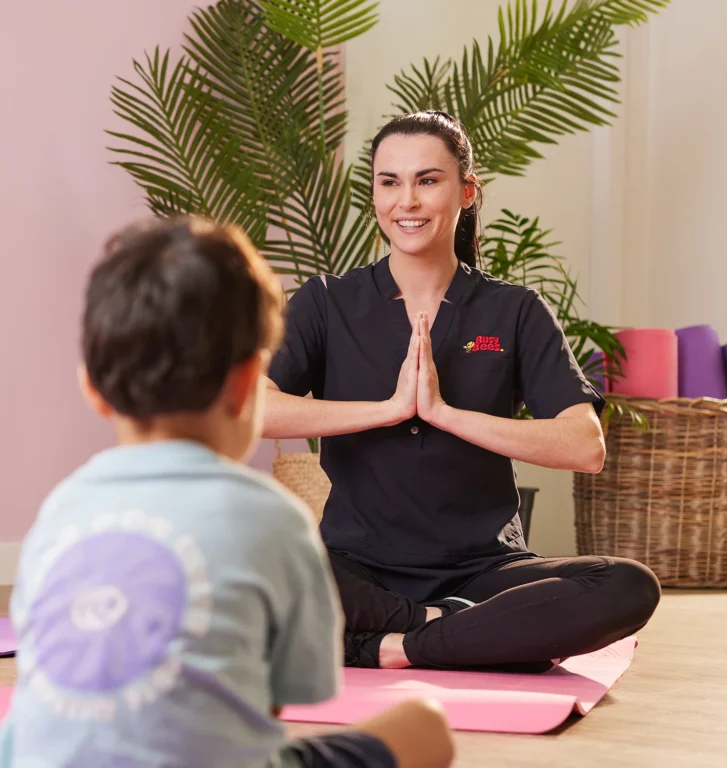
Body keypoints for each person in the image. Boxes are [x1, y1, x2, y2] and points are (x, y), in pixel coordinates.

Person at [0, 218, 455, 768]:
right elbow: (279, 700)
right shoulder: (273, 519)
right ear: (248, 386)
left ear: (92, 387)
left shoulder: (59, 513)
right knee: (424, 725)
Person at [265, 110, 661, 672]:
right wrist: (388, 410)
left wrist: (444, 413)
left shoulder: (515, 310)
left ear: (467, 191)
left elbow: (584, 446)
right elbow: (249, 407)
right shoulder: (327, 302)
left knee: (626, 586)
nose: (407, 200)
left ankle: (380, 645)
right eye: (389, 182)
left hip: (483, 572)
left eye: (428, 180)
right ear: (374, 192)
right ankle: (452, 634)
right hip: (354, 568)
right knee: (247, 549)